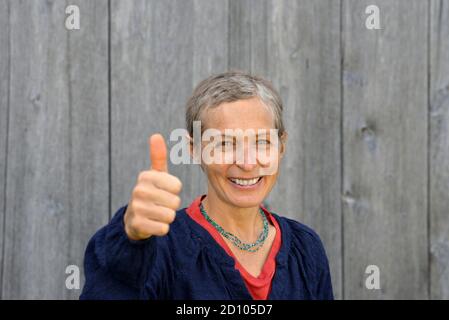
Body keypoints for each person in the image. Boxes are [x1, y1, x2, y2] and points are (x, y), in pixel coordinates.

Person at [80, 70, 333, 300]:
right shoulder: (160, 248)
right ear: (194, 150)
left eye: (261, 142)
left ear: (281, 147)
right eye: (224, 144)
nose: (246, 163)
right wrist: (129, 241)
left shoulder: (306, 249)